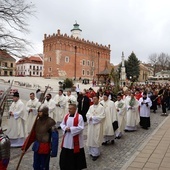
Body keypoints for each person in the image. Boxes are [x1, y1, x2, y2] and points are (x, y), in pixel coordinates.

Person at [59, 103, 87, 170]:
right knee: (65, 154)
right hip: (67, 140)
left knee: (75, 156)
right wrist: (65, 128)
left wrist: (71, 129)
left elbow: (81, 127)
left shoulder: (79, 117)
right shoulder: (66, 116)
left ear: (75, 109)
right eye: (69, 108)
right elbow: (62, 124)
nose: (69, 110)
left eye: (71, 109)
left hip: (75, 139)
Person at [32, 104, 57, 170]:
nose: (38, 113)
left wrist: (54, 151)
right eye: (38, 112)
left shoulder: (50, 122)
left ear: (45, 112)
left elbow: (55, 137)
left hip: (45, 147)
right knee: (36, 165)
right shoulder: (37, 121)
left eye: (40, 112)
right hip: (37, 145)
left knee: (44, 166)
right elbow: (33, 134)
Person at [86, 95, 105, 161]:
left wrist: (93, 118)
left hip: (97, 125)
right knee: (91, 138)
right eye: (93, 99)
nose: (94, 101)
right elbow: (87, 114)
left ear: (98, 99)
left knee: (96, 138)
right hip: (91, 125)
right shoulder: (91, 107)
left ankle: (96, 154)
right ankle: (91, 152)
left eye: (95, 99)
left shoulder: (101, 107)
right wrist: (89, 117)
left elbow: (102, 116)